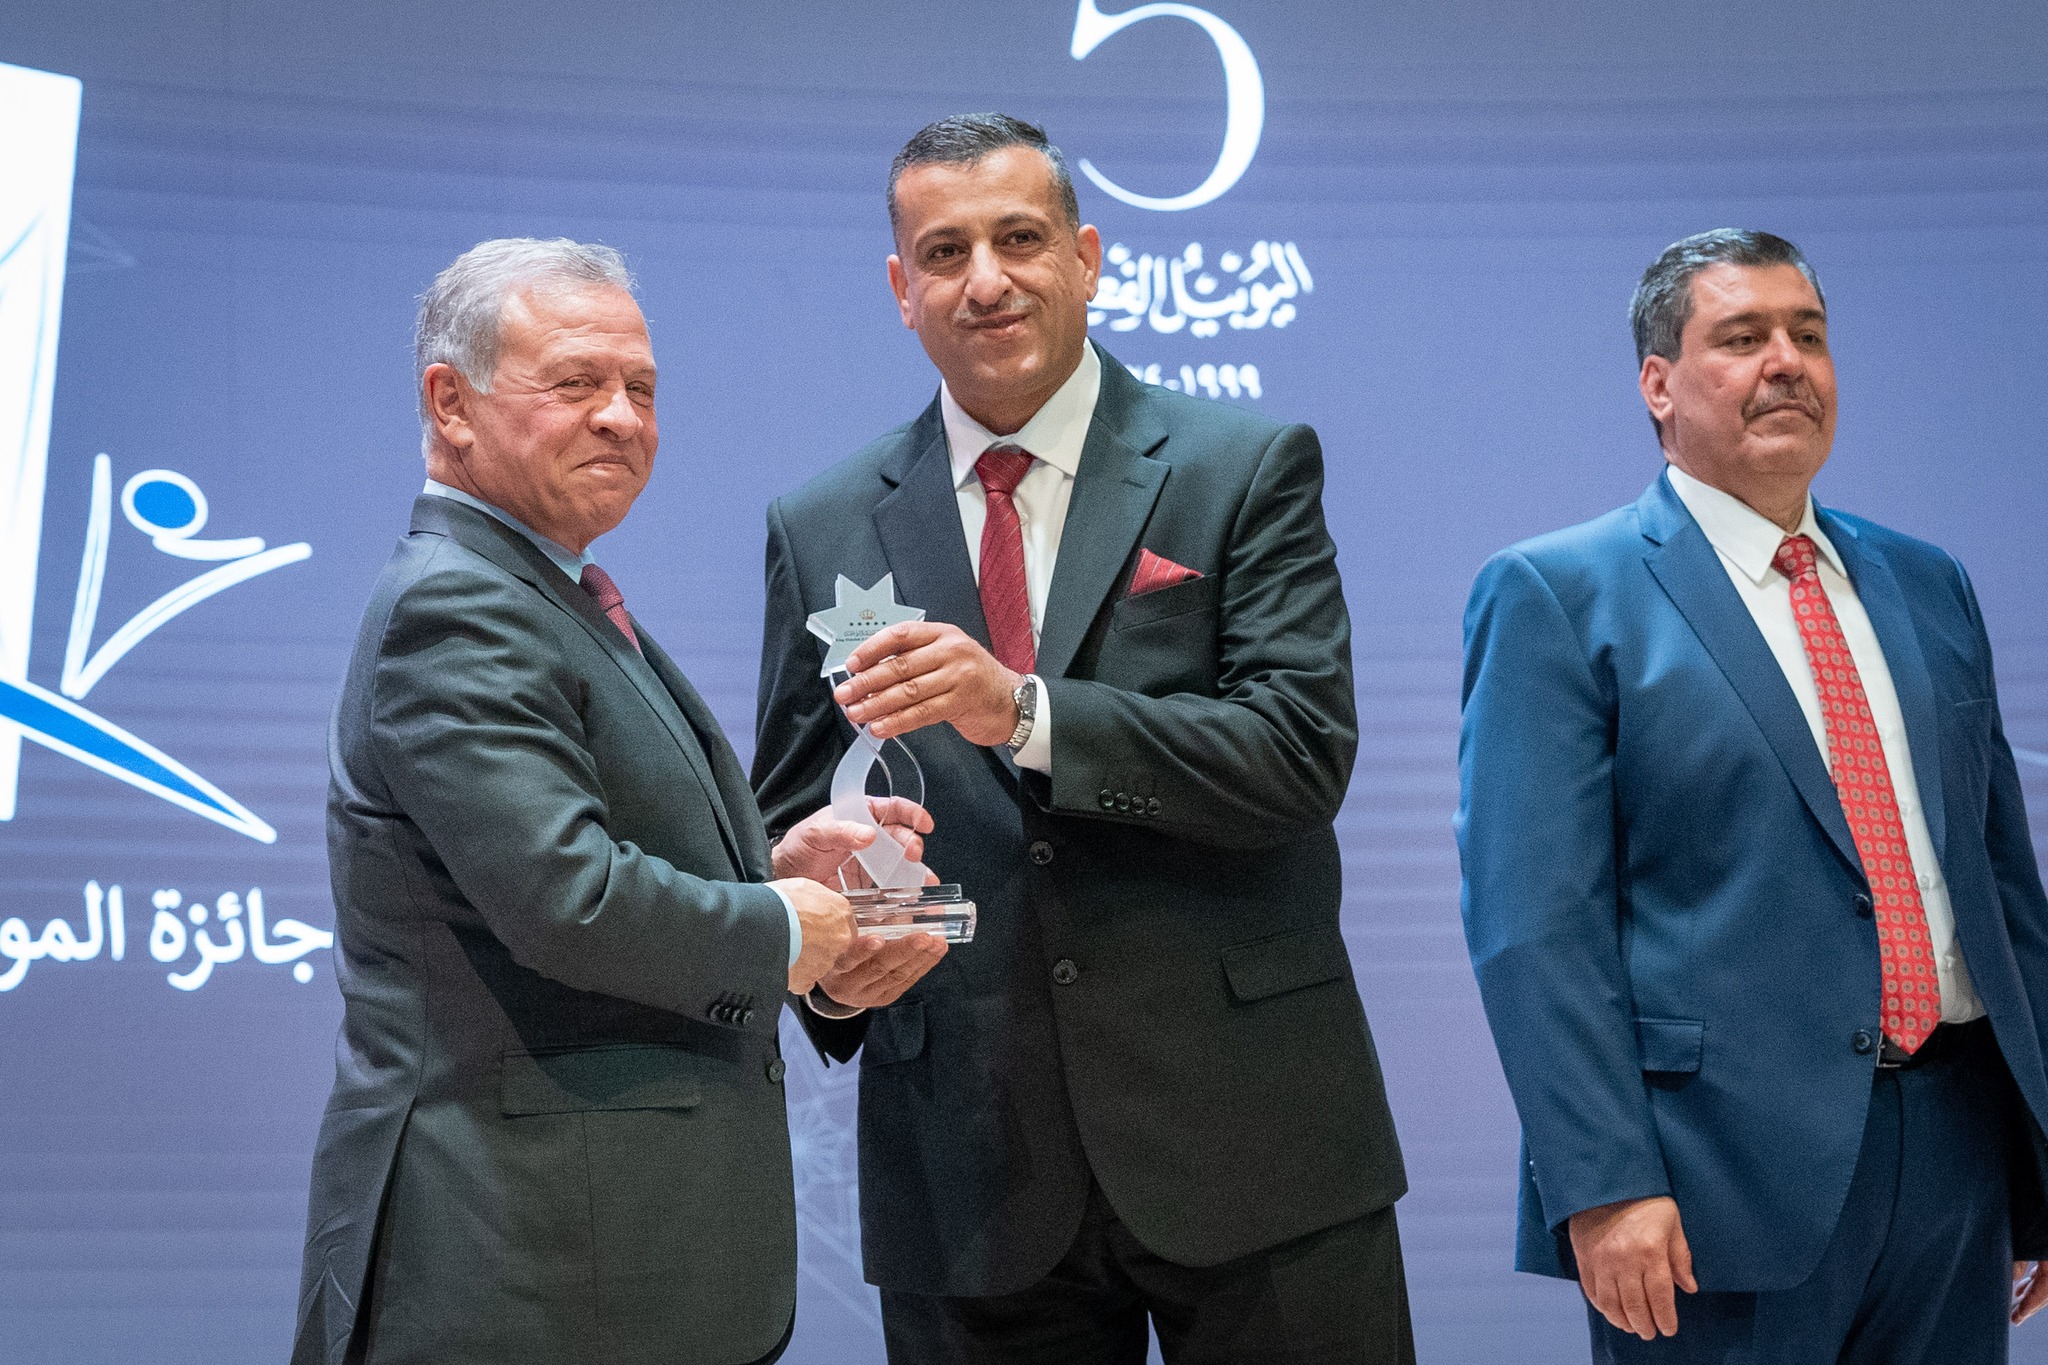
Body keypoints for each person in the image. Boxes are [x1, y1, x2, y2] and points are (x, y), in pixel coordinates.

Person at [751, 114, 1412, 1363]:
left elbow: (1296, 752)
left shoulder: (1241, 466)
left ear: (1087, 256)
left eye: (1018, 238)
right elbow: (790, 822)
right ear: (900, 289)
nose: (984, 281)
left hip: (1253, 1136)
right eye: (943, 252)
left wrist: (1023, 713)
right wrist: (829, 964)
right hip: (967, 1163)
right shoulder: (821, 522)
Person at [291, 238, 941, 1365]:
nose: (621, 417)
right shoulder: (457, 610)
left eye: (641, 387)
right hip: (520, 1269)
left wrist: (778, 873)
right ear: (450, 403)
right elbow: (569, 899)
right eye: (575, 382)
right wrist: (788, 930)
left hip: (594, 1266)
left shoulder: (548, 596)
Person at [1458, 228, 2048, 1362]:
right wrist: (1603, 1182)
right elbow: (1534, 927)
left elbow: (2003, 887)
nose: (1786, 362)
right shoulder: (1558, 593)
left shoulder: (1929, 582)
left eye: (1808, 336)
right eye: (1740, 337)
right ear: (1657, 384)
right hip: (1707, 1180)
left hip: (1956, 1150)